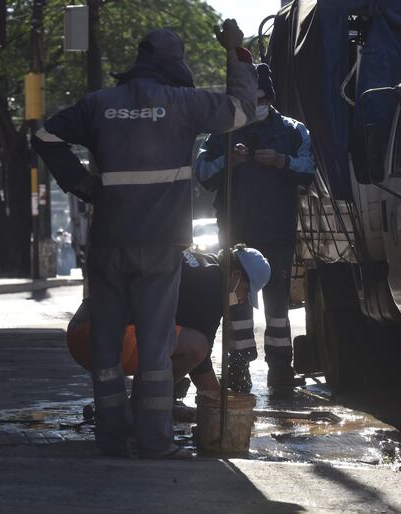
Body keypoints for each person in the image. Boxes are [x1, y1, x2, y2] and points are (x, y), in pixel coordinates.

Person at [32, 21, 257, 459]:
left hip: (108, 241)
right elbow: (242, 109)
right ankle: (154, 441)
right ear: (175, 66)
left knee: (107, 344)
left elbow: (44, 137)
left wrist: (83, 184)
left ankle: (112, 437)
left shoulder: (99, 104)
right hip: (159, 243)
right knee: (155, 347)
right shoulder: (184, 103)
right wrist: (235, 51)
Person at [194, 64, 316, 392]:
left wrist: (282, 161)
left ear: (270, 97)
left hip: (278, 230)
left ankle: (280, 369)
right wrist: (228, 162)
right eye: (249, 99)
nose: (255, 105)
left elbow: (310, 168)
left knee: (278, 304)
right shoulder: (222, 134)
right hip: (235, 234)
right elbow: (202, 172)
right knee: (236, 301)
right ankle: (238, 368)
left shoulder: (292, 131)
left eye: (260, 98)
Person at [66, 245, 271, 397]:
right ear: (235, 276)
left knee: (169, 339)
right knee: (196, 346)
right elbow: (200, 360)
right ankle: (146, 405)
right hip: (96, 338)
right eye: (245, 292)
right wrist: (220, 399)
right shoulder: (213, 286)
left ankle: (145, 403)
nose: (242, 299)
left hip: (84, 328)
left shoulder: (204, 263)